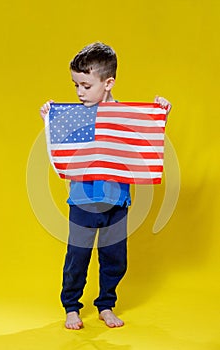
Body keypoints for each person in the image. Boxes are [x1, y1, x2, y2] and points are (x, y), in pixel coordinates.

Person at [40, 42, 172, 330]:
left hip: (117, 201)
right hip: (83, 201)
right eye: (76, 85)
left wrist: (160, 114)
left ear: (108, 83)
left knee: (114, 258)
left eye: (86, 86)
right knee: (78, 257)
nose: (79, 92)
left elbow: (145, 139)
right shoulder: (76, 117)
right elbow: (60, 147)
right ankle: (71, 306)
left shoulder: (125, 118)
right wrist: (50, 118)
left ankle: (106, 304)